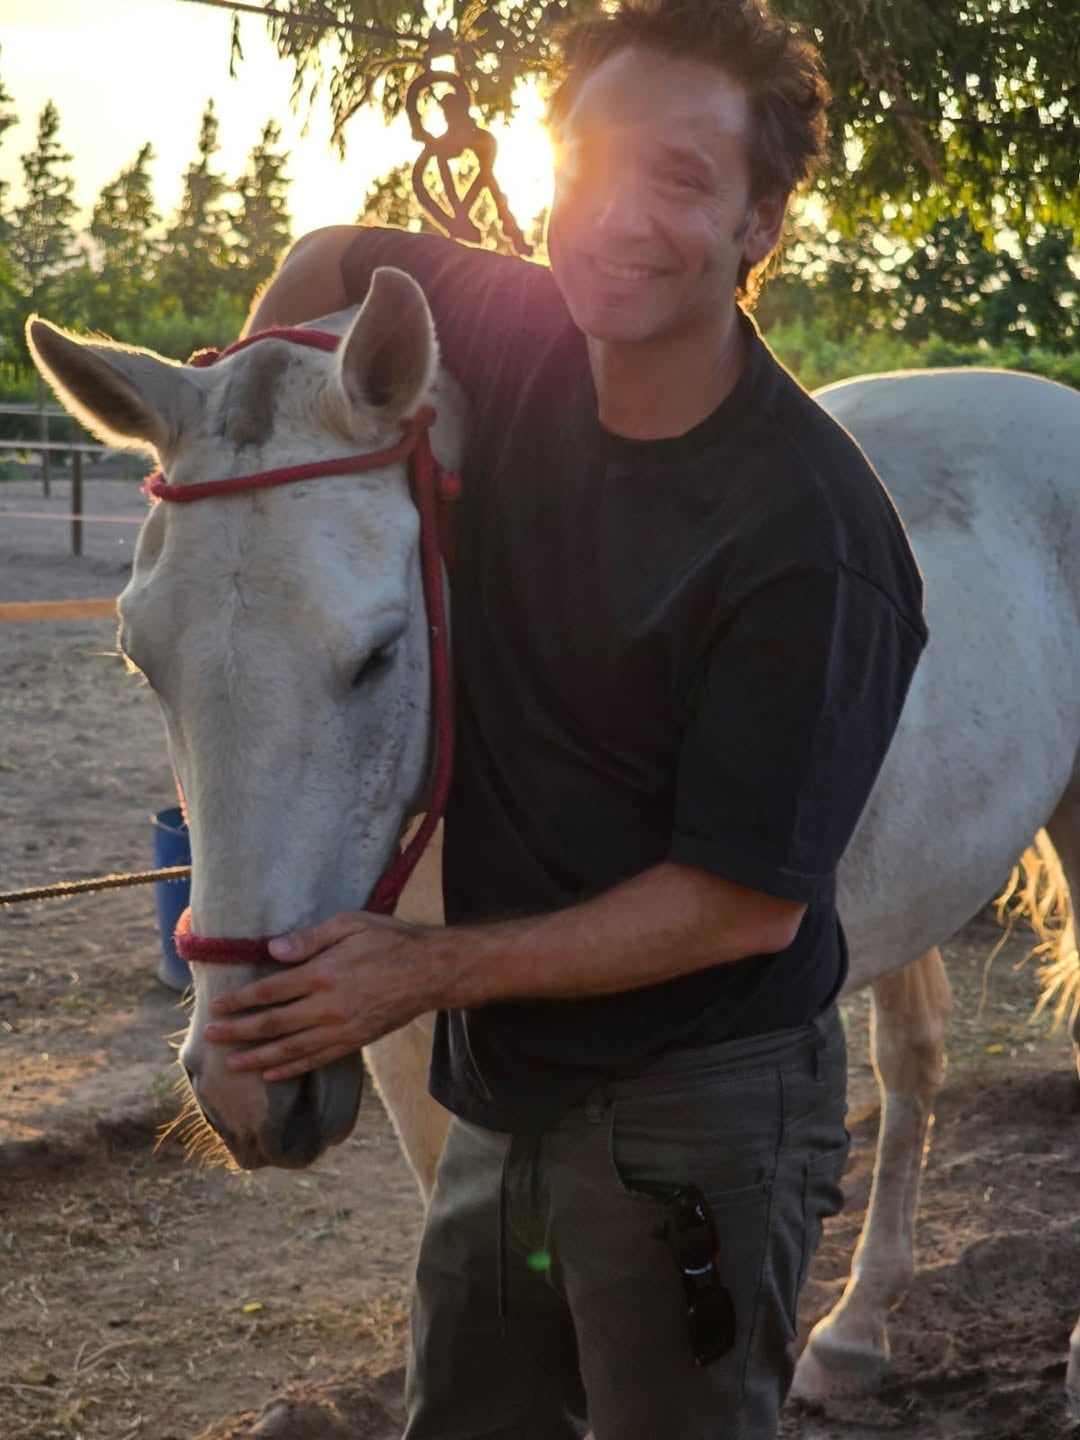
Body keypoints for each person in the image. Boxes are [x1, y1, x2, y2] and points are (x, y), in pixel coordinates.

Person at [203, 1, 928, 1434]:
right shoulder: (524, 327)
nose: (615, 219)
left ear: (760, 219)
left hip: (697, 1117)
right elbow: (338, 254)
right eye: (587, 163)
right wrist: (268, 461)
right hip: (507, 1100)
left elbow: (738, 907)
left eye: (679, 177)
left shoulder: (807, 533)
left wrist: (421, 975)